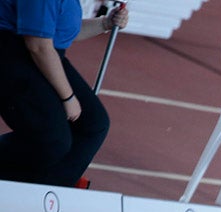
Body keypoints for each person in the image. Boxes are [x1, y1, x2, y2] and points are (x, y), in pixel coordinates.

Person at [0, 0, 129, 187]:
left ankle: (49, 190)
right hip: (12, 55)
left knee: (92, 125)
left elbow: (63, 32)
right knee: (51, 141)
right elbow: (37, 45)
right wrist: (67, 96)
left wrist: (105, 23)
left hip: (41, 54)